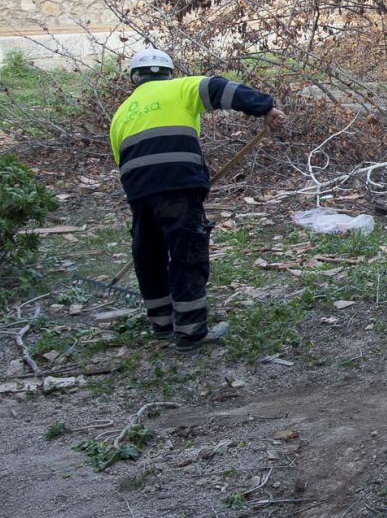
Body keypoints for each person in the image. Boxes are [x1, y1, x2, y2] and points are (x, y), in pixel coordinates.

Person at [109, 48, 284, 351]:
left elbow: (121, 159)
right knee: (186, 249)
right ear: (168, 72)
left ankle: (162, 323)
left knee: (148, 253)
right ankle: (190, 332)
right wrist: (264, 106)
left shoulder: (122, 112)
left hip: (138, 188)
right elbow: (220, 88)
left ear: (134, 79)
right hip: (178, 182)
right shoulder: (180, 87)